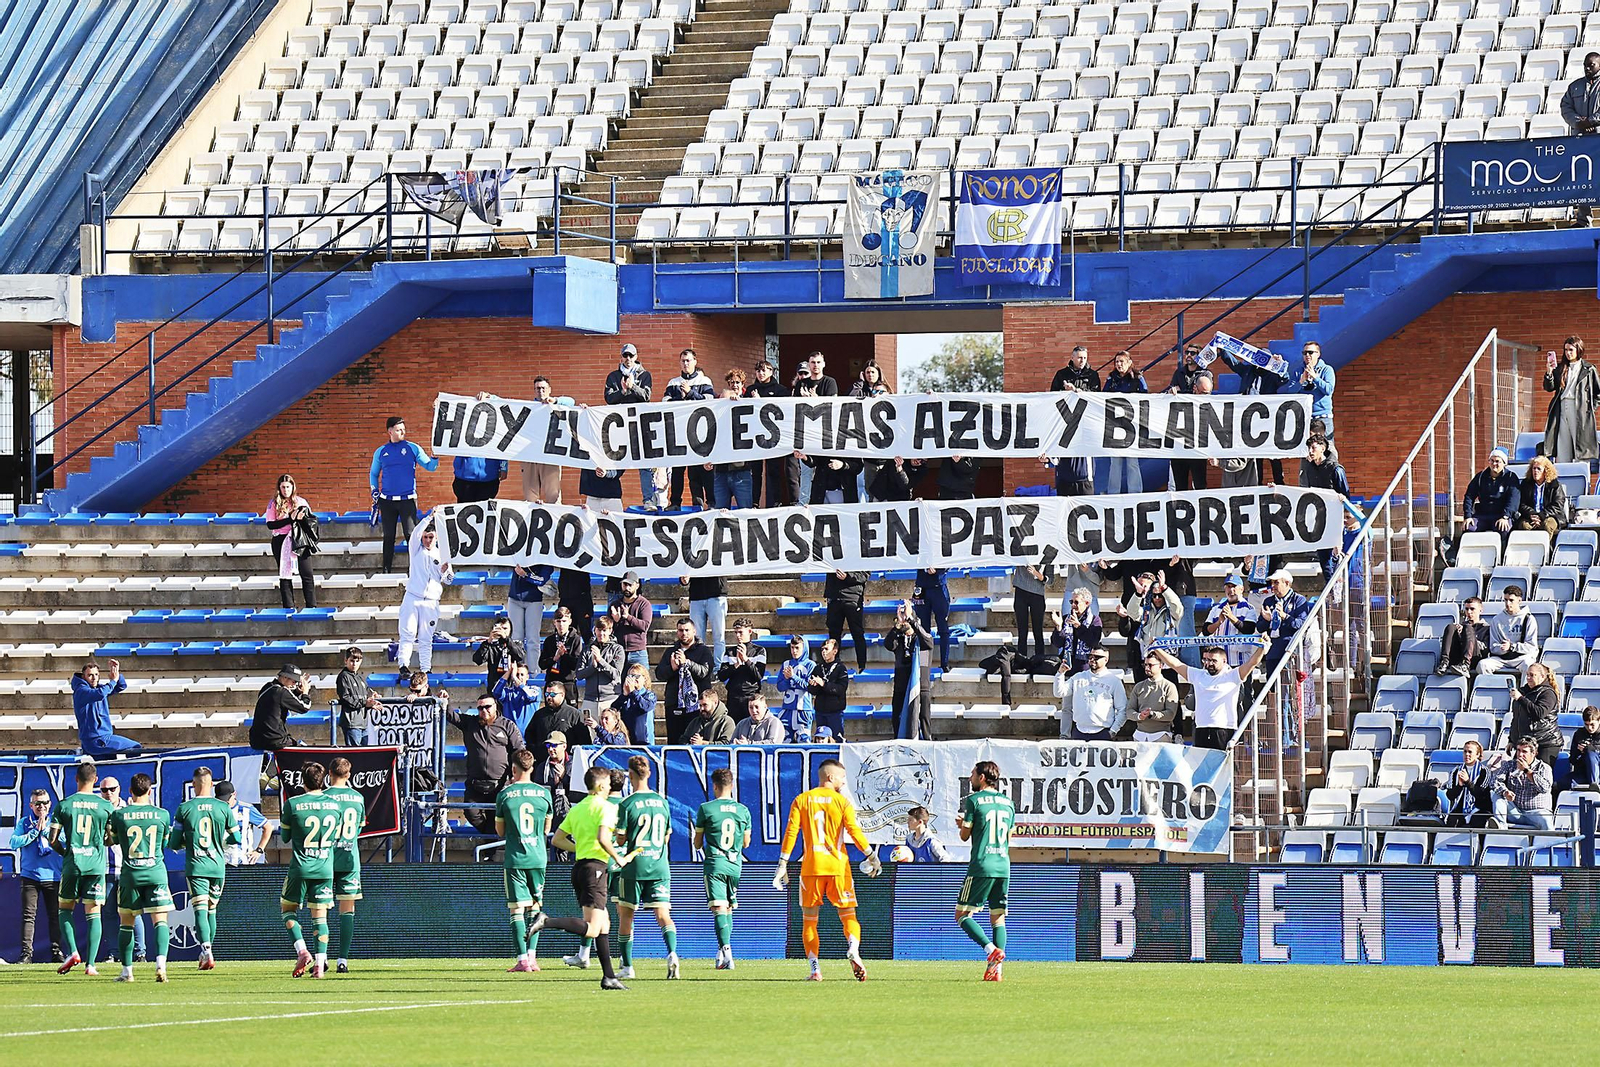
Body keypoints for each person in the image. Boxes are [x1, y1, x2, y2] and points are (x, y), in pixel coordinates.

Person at [527, 767, 633, 990]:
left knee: (604, 924)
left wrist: (580, 848)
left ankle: (609, 977)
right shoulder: (606, 807)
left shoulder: (577, 809)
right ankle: (546, 921)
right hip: (595, 868)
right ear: (602, 786)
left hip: (581, 867)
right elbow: (603, 837)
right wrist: (618, 858)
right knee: (594, 928)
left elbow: (557, 839)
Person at [776, 758, 880, 981]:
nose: (843, 782)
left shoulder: (802, 800)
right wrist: (871, 856)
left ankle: (815, 969)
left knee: (809, 921)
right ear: (830, 777)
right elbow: (854, 831)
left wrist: (783, 863)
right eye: (842, 777)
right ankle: (853, 947)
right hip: (838, 867)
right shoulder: (841, 802)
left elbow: (791, 833)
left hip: (811, 867)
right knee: (848, 914)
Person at [612, 756, 678, 980]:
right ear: (649, 774)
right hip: (659, 865)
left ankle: (628, 967)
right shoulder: (662, 802)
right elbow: (667, 835)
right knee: (663, 914)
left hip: (635, 866)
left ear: (630, 775)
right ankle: (672, 954)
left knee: (626, 915)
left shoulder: (627, 804)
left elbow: (620, 841)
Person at [277, 761, 345, 978]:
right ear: (323, 779)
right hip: (325, 868)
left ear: (302, 781)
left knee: (288, 910)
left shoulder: (293, 804)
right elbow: (336, 836)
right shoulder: (335, 805)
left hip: (300, 867)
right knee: (320, 918)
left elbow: (286, 837)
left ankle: (302, 950)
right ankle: (319, 965)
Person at [105, 773, 173, 982]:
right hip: (155, 872)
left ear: (130, 792)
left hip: (130, 874)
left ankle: (127, 972)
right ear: (150, 791)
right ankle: (160, 965)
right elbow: (164, 844)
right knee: (160, 921)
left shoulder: (120, 815)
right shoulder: (162, 814)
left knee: (126, 922)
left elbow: (111, 841)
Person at [172, 767, 238, 972]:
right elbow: (235, 838)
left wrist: (187, 843)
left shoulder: (185, 808)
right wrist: (219, 841)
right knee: (212, 910)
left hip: (197, 865)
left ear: (193, 785)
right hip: (217, 866)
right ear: (211, 784)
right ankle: (208, 950)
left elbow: (174, 843)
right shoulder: (223, 808)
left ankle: (206, 950)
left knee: (199, 909)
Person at [51, 763, 114, 976]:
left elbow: (52, 840)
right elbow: (111, 839)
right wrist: (100, 843)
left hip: (72, 864)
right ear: (95, 780)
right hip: (95, 866)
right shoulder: (105, 806)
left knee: (65, 909)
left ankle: (73, 952)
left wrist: (66, 852)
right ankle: (91, 965)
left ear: (76, 779)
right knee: (94, 913)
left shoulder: (65, 805)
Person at [955, 760, 1014, 982]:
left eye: (972, 774)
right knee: (998, 918)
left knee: (961, 915)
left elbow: (964, 835)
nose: (970, 778)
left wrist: (961, 824)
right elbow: (1008, 838)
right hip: (1003, 864)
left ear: (981, 777)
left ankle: (990, 950)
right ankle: (996, 971)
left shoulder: (974, 801)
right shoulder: (1008, 803)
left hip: (982, 864)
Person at [497, 748, 555, 973]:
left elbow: (500, 831)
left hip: (516, 858)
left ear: (513, 768)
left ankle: (522, 960)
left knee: (516, 910)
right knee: (536, 907)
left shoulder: (505, 795)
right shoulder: (544, 794)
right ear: (531, 768)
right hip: (538, 857)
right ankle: (532, 957)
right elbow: (547, 829)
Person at [1151, 641, 1269, 750]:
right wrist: (1157, 649)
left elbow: (1252, 663)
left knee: (1225, 768)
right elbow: (1175, 664)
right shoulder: (1198, 675)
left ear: (1224, 661)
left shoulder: (1233, 675)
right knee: (1201, 769)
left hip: (1224, 729)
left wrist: (1262, 648)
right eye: (1207, 660)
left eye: (1214, 661)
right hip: (1201, 729)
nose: (1209, 664)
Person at [694, 768, 751, 969]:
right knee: (728, 908)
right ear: (732, 785)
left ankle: (727, 952)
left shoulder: (706, 809)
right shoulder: (743, 810)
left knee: (718, 907)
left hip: (716, 863)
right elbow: (746, 843)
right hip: (735, 865)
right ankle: (722, 953)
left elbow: (698, 844)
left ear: (714, 786)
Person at [370, 415, 438, 573]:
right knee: (388, 536)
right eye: (399, 429)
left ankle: (415, 568)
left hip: (407, 499)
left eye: (404, 429)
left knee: (411, 535)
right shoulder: (381, 451)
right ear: (390, 431)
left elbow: (430, 467)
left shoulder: (412, 448)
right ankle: (386, 569)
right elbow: (373, 473)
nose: (402, 432)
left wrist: (435, 457)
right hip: (387, 500)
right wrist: (374, 489)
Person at [446, 694, 522, 835]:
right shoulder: (470, 723)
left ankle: (491, 849)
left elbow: (518, 751)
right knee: (470, 813)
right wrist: (445, 700)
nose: (484, 710)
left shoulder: (507, 725)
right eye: (480, 708)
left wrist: (515, 776)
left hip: (499, 784)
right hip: (475, 783)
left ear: (495, 706)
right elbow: (451, 715)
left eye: (487, 707)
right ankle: (490, 838)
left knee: (498, 817)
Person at [324, 757, 367, 974]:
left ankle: (321, 958)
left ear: (329, 773)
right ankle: (343, 959)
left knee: (319, 908)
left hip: (325, 859)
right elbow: (359, 829)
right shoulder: (357, 798)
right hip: (350, 858)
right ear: (349, 775)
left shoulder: (322, 798)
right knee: (347, 909)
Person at [99, 775, 147, 964]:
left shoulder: (128, 810)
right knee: (109, 913)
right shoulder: (98, 810)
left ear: (120, 789)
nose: (108, 793)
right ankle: (114, 953)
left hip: (128, 868)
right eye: (104, 790)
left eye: (112, 789)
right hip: (105, 870)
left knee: (133, 911)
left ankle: (140, 952)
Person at [606, 343, 659, 506]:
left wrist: (632, 387)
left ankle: (648, 499)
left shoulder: (645, 375)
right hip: (620, 424)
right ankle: (609, 498)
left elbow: (646, 396)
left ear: (636, 357)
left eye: (631, 356)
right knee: (616, 460)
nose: (628, 359)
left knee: (643, 462)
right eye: (625, 356)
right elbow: (608, 398)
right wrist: (623, 391)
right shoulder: (613, 376)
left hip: (639, 423)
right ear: (621, 357)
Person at [397, 522, 452, 677]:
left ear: (436, 538)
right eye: (425, 537)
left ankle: (426, 669)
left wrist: (444, 572)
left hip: (431, 601)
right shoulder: (415, 550)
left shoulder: (443, 555)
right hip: (413, 597)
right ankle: (403, 665)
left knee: (426, 637)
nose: (427, 540)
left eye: (431, 537)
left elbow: (449, 580)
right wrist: (428, 518)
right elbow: (415, 533)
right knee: (407, 633)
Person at [664, 348, 717, 507]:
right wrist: (680, 398)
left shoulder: (704, 380)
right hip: (679, 433)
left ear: (695, 361)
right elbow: (664, 403)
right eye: (683, 361)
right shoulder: (673, 382)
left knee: (703, 469)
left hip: (700, 433)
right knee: (678, 470)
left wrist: (690, 393)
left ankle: (711, 503)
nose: (686, 363)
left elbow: (709, 401)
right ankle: (675, 503)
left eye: (688, 360)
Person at [788, 351, 840, 504]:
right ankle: (804, 504)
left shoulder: (830, 382)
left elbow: (832, 407)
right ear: (809, 364)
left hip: (825, 435)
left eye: (818, 362)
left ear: (823, 364)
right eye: (812, 362)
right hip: (806, 435)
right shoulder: (801, 384)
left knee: (826, 469)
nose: (815, 365)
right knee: (805, 470)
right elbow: (795, 408)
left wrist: (815, 400)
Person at [17, 789, 62, 965]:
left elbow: (64, 841)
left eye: (44, 803)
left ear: (50, 804)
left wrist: (45, 832)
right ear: (31, 805)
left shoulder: (56, 823)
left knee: (55, 916)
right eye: (37, 803)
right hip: (30, 876)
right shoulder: (24, 822)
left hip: (52, 876)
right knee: (29, 916)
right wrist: (34, 832)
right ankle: (26, 953)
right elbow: (14, 842)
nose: (41, 807)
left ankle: (56, 951)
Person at [655, 618, 716, 743]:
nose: (684, 633)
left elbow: (704, 672)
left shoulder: (703, 651)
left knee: (694, 740)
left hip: (696, 705)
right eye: (681, 630)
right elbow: (659, 674)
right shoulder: (671, 651)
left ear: (694, 631)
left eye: (687, 630)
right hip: (674, 703)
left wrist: (687, 663)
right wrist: (672, 668)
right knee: (674, 741)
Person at [1543, 336, 1600, 464]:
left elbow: (1598, 392)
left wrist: (1590, 407)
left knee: (1581, 448)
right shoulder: (1560, 368)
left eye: (1571, 350)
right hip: (1562, 407)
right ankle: (1562, 481)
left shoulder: (1589, 369)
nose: (1568, 353)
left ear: (1578, 350)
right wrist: (1549, 372)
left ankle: (1582, 480)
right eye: (1565, 350)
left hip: (1579, 409)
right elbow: (1549, 387)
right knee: (1562, 446)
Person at [1118, 570, 1183, 680]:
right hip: (1148, 660)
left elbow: (1177, 607)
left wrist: (1165, 588)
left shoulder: (1172, 613)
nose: (1157, 598)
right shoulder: (1146, 611)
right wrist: (1138, 594)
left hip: (1167, 662)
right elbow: (1132, 612)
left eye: (1160, 595)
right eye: (1154, 595)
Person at [265, 473, 317, 609]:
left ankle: (312, 606)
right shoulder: (274, 503)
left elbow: (311, 522)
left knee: (307, 573)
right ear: (279, 488)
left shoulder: (301, 501)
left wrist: (301, 517)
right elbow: (271, 524)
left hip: (299, 539)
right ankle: (288, 607)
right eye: (283, 487)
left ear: (293, 487)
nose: (285, 490)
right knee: (284, 574)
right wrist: (290, 518)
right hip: (281, 540)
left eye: (288, 487)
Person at [1054, 646, 1127, 741]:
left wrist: (1113, 731)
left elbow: (1122, 709)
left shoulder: (1114, 681)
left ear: (1106, 659)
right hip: (1079, 731)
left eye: (1096, 657)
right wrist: (1060, 673)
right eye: (1090, 656)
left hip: (1103, 732)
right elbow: (1059, 692)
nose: (1092, 659)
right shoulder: (1078, 677)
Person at [885, 600, 934, 741]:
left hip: (920, 687)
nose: (905, 621)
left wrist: (911, 618)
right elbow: (888, 644)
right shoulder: (898, 640)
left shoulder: (923, 640)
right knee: (898, 718)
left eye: (907, 619)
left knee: (924, 719)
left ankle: (926, 743)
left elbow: (928, 641)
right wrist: (897, 625)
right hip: (901, 687)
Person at [71, 658, 139, 759]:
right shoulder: (81, 691)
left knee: (107, 769)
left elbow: (121, 686)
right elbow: (100, 694)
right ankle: (133, 772)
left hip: (101, 740)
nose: (94, 678)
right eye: (90, 675)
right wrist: (113, 681)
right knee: (136, 747)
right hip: (97, 740)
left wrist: (116, 673)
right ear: (83, 677)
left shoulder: (97, 688)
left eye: (96, 675)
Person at [1102, 350, 1147, 493]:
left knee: (1132, 462)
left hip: (1132, 426)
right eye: (1117, 362)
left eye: (1122, 361)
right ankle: (1113, 493)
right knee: (1115, 462)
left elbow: (1145, 398)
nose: (1119, 364)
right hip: (1114, 426)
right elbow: (1102, 397)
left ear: (1129, 363)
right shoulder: (1111, 379)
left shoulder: (1138, 378)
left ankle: (1135, 493)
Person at [746, 358, 789, 506]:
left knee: (774, 471)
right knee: (755, 472)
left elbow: (785, 410)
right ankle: (754, 502)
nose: (761, 373)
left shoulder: (780, 390)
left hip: (773, 437)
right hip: (755, 436)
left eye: (764, 370)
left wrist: (760, 401)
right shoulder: (751, 390)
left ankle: (777, 501)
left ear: (771, 372)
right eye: (758, 370)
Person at [1507, 661, 1564, 767]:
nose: (1528, 677)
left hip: (1545, 742)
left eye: (1532, 675)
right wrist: (1512, 739)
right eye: (1527, 674)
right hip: (1527, 742)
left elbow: (1539, 713)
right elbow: (1517, 718)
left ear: (1542, 676)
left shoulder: (1548, 693)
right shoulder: (1523, 691)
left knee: (1540, 776)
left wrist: (1520, 698)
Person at [451, 400, 508, 503]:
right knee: (464, 512)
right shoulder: (463, 429)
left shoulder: (496, 431)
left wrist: (504, 467)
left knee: (485, 513)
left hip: (489, 478)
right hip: (464, 478)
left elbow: (502, 448)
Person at [1494, 736, 1555, 831]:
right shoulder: (1509, 765)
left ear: (1534, 753)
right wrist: (1505, 792)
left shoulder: (1544, 768)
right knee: (1495, 794)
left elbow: (1545, 788)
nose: (1520, 754)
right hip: (1514, 811)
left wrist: (1527, 771)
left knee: (1546, 820)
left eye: (1524, 751)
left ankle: (1550, 844)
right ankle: (1501, 826)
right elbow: (1495, 781)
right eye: (1518, 750)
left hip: (1536, 812)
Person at [519, 375, 564, 505]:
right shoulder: (528, 408)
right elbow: (504, 404)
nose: (541, 391)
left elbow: (571, 401)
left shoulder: (558, 405)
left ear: (549, 389)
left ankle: (555, 524)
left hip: (550, 456)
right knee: (530, 497)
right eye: (538, 389)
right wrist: (490, 398)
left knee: (553, 496)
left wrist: (554, 401)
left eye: (543, 388)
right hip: (530, 456)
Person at [249, 664, 313, 753]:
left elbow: (283, 699)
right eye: (294, 681)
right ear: (285, 677)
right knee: (302, 749)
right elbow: (304, 707)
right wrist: (305, 693)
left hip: (256, 740)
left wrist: (298, 691)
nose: (294, 684)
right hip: (275, 740)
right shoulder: (282, 692)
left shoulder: (267, 687)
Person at [1478, 584, 1540, 676]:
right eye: (1505, 600)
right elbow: (1493, 647)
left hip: (1522, 657)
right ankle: (1493, 688)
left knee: (1529, 665)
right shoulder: (1497, 619)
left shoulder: (1529, 619)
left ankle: (1523, 690)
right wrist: (1501, 648)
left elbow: (1531, 647)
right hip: (1502, 658)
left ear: (1519, 600)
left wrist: (1511, 646)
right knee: (1482, 665)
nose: (1508, 603)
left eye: (1511, 600)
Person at [1259, 570, 1314, 671]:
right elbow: (1259, 627)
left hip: (1291, 650)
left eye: (1276, 582)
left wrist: (1284, 616)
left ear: (1287, 583)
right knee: (1273, 683)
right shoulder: (1268, 601)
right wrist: (1268, 620)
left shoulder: (1299, 600)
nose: (1273, 586)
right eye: (1272, 582)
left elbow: (1302, 624)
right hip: (1273, 651)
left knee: (1292, 684)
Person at [1462, 447, 1520, 539]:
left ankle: (1502, 553)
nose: (1494, 464)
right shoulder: (1481, 477)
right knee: (1469, 528)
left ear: (1504, 463)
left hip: (1500, 515)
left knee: (1504, 528)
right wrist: (1468, 516)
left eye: (1497, 461)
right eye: (1491, 461)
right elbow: (1469, 496)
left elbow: (1513, 500)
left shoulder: (1511, 477)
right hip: (1482, 515)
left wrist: (1505, 517)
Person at [1204, 574, 1260, 667]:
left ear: (1241, 589)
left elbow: (1249, 629)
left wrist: (1231, 617)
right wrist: (1218, 622)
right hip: (1220, 664)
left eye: (1234, 587)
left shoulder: (1249, 608)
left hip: (1241, 662)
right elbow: (1206, 631)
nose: (1231, 590)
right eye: (1228, 587)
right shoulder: (1216, 609)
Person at [717, 618, 767, 721]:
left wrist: (746, 660)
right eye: (736, 632)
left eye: (740, 632)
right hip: (733, 698)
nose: (738, 636)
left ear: (749, 631)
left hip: (751, 697)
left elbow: (758, 675)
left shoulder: (759, 651)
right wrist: (735, 665)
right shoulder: (730, 652)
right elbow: (721, 676)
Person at [1514, 454, 1571, 539]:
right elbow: (1521, 504)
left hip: (1551, 516)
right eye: (1534, 468)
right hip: (1530, 516)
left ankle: (1546, 550)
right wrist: (1532, 514)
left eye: (1539, 469)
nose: (1535, 471)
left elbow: (1558, 505)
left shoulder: (1555, 485)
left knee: (1547, 525)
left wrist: (1541, 515)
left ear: (1546, 471)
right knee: (1524, 526)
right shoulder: (1526, 484)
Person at [577, 614, 624, 717]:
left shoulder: (617, 649)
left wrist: (600, 661)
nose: (601, 633)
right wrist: (593, 667)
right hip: (590, 699)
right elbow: (579, 674)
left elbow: (616, 674)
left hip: (610, 699)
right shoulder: (587, 649)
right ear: (595, 630)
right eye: (599, 630)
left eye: (604, 630)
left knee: (610, 732)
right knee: (589, 732)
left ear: (610, 631)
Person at [538, 606, 586, 705]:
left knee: (570, 714)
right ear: (554, 622)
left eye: (564, 621)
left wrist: (564, 655)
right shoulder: (549, 640)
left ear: (570, 621)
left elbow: (576, 664)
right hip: (552, 681)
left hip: (567, 682)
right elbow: (542, 664)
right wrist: (554, 658)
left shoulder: (575, 639)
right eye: (558, 621)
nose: (561, 625)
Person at [1129, 652, 1181, 742]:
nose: (1147, 668)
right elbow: (1129, 710)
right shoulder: (1139, 686)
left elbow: (1170, 714)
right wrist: (1139, 716)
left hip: (1161, 734)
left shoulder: (1169, 686)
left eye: (1150, 665)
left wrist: (1152, 714)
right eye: (1145, 665)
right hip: (1139, 734)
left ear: (1161, 665)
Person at [217, 779, 271, 866]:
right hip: (220, 861)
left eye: (227, 799)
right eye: (221, 800)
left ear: (234, 794)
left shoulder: (246, 809)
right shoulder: (215, 809)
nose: (225, 803)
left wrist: (259, 850)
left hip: (243, 861)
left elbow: (268, 827)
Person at [825, 569, 870, 671]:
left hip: (852, 598)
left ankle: (862, 667)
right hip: (834, 597)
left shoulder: (861, 554)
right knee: (834, 635)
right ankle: (833, 667)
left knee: (857, 633)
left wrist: (848, 576)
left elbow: (865, 574)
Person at [611, 571, 654, 675]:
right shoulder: (615, 604)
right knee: (619, 687)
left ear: (637, 585)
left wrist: (628, 617)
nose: (627, 588)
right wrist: (616, 621)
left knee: (642, 685)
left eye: (630, 585)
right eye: (625, 584)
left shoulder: (644, 604)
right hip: (619, 651)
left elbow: (645, 626)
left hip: (638, 652)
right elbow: (608, 630)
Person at [1445, 740, 1497, 827]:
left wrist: (1468, 782)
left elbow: (1481, 794)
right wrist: (1460, 785)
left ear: (1477, 754)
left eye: (1470, 752)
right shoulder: (1455, 771)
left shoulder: (1485, 771)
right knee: (1452, 821)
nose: (1467, 754)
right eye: (1465, 751)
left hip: (1480, 808)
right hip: (1460, 809)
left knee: (1477, 821)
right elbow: (1450, 795)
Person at [335, 647, 380, 746]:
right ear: (346, 661)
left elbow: (367, 692)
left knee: (364, 754)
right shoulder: (343, 677)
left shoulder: (360, 678)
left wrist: (373, 698)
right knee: (354, 754)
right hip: (351, 723)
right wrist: (365, 703)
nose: (354, 664)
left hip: (363, 722)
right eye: (352, 661)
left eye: (357, 661)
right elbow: (346, 698)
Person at [527, 682, 591, 751]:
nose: (548, 697)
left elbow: (584, 741)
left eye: (552, 695)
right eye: (547, 694)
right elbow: (529, 735)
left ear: (562, 695)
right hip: (543, 759)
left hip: (568, 759)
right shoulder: (539, 714)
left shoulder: (574, 714)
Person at [1054, 587, 1104, 676]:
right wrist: (1058, 627)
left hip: (1085, 668)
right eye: (1071, 602)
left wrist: (1079, 627)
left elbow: (1093, 642)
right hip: (1067, 666)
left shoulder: (1095, 620)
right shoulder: (1066, 619)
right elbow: (1057, 644)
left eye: (1076, 602)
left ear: (1087, 603)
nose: (1073, 605)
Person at [471, 616, 527, 694]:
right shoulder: (490, 645)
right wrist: (488, 641)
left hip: (512, 687)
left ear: (510, 630)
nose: (502, 631)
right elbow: (477, 660)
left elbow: (520, 657)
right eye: (499, 628)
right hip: (495, 687)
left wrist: (506, 639)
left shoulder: (516, 644)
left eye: (505, 629)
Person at [777, 634, 817, 741]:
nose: (794, 651)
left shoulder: (811, 665)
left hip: (803, 710)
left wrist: (793, 677)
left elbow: (809, 687)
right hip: (787, 709)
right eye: (792, 648)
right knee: (784, 741)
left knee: (804, 741)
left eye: (797, 648)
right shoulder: (786, 664)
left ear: (804, 648)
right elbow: (780, 687)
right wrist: (786, 679)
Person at [810, 637, 851, 741]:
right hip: (820, 711)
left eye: (826, 649)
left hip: (835, 712)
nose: (823, 652)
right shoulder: (818, 668)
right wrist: (813, 685)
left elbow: (841, 688)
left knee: (836, 740)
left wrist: (823, 684)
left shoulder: (841, 668)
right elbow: (812, 690)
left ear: (835, 651)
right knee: (820, 740)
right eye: (822, 649)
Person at [1436, 597, 1490, 676]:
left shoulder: (1486, 628)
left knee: (1468, 628)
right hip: (1459, 656)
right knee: (1451, 627)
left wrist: (1467, 637)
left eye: (1472, 609)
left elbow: (1485, 648)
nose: (1469, 612)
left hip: (1475, 658)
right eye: (1467, 609)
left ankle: (1465, 664)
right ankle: (1444, 662)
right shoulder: (1462, 626)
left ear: (1480, 610)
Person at [532, 732, 574, 829]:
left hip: (570, 810)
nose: (550, 749)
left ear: (564, 746)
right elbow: (538, 790)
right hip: (550, 812)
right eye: (548, 745)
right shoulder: (542, 766)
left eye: (554, 745)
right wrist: (553, 784)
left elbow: (578, 789)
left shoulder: (574, 763)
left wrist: (564, 777)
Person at [1297, 342, 1336, 439]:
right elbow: (1289, 392)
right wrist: (1300, 382)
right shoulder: (1298, 371)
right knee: (1306, 449)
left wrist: (1315, 378)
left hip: (1323, 416)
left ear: (1318, 354)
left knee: (1327, 447)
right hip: (1305, 417)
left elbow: (1329, 390)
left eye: (1310, 352)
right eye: (1304, 353)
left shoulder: (1327, 370)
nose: (1307, 355)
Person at [506, 564, 549, 652]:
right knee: (515, 637)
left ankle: (533, 665)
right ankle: (517, 664)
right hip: (515, 597)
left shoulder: (544, 559)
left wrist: (525, 575)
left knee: (533, 638)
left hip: (534, 599)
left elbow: (542, 580)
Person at [613, 663, 658, 746]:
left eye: (636, 676)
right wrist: (624, 696)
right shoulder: (626, 697)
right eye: (630, 676)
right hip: (628, 741)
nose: (633, 679)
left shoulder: (649, 695)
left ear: (644, 679)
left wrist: (633, 692)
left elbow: (645, 707)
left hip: (644, 741)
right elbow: (613, 709)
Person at [1563, 53, 1600, 133]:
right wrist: (1578, 122)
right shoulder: (1574, 86)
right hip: (1579, 137)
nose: (1587, 68)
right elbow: (1565, 107)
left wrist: (1590, 121)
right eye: (1585, 65)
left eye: (1591, 65)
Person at [1570, 705, 1600, 788]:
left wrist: (1590, 749)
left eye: (1592, 724)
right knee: (1561, 783)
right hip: (1583, 772)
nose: (1589, 728)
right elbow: (1572, 759)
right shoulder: (1579, 734)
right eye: (1586, 725)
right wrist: (1579, 751)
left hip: (1598, 771)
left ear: (1599, 721)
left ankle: (1594, 784)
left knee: (1591, 754)